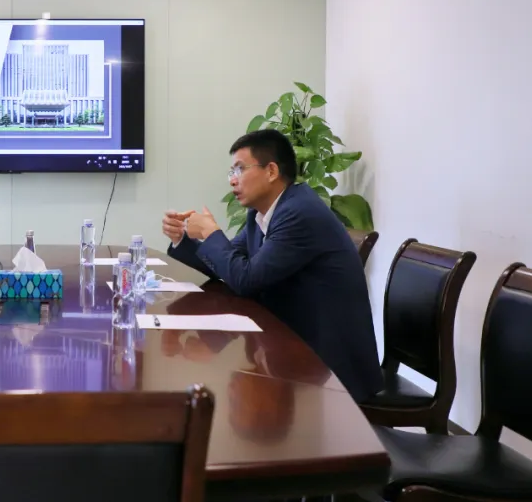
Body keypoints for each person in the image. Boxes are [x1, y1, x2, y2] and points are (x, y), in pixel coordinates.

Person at [161, 128, 382, 404]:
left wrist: (210, 233)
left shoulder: (299, 213)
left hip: (327, 365)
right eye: (231, 172)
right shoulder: (263, 213)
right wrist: (182, 239)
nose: (232, 180)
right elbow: (230, 265)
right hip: (292, 344)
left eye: (240, 169)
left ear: (271, 171)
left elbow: (246, 280)